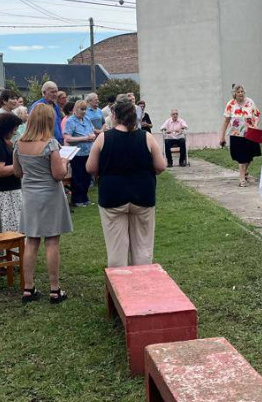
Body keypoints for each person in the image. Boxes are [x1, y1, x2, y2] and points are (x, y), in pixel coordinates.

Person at [88, 99, 166, 267]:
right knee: (143, 247)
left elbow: (90, 167)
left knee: (116, 248)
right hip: (142, 195)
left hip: (112, 197)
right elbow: (161, 166)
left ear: (114, 115)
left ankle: (120, 287)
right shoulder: (147, 137)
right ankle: (142, 286)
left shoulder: (103, 138)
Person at [13, 103, 72, 303]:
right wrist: (64, 162)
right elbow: (58, 174)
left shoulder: (19, 143)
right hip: (49, 194)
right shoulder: (50, 144)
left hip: (30, 194)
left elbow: (17, 172)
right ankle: (55, 289)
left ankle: (28, 288)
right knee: (52, 241)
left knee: (31, 240)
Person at [219, 84, 261, 188]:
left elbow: (257, 115)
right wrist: (222, 137)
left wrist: (255, 124)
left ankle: (245, 172)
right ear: (234, 94)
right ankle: (242, 179)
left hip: (250, 133)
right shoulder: (231, 104)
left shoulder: (250, 102)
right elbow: (226, 121)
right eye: (238, 92)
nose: (241, 93)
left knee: (250, 156)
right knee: (242, 158)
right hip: (236, 135)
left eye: (242, 91)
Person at [63, 100, 97, 207]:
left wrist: (92, 136)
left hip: (88, 152)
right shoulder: (70, 121)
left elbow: (92, 131)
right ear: (75, 109)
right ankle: (77, 200)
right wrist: (85, 138)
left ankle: (85, 198)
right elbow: (67, 138)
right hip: (77, 153)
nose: (84, 112)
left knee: (87, 177)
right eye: (81, 109)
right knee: (78, 177)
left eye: (85, 109)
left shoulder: (87, 119)